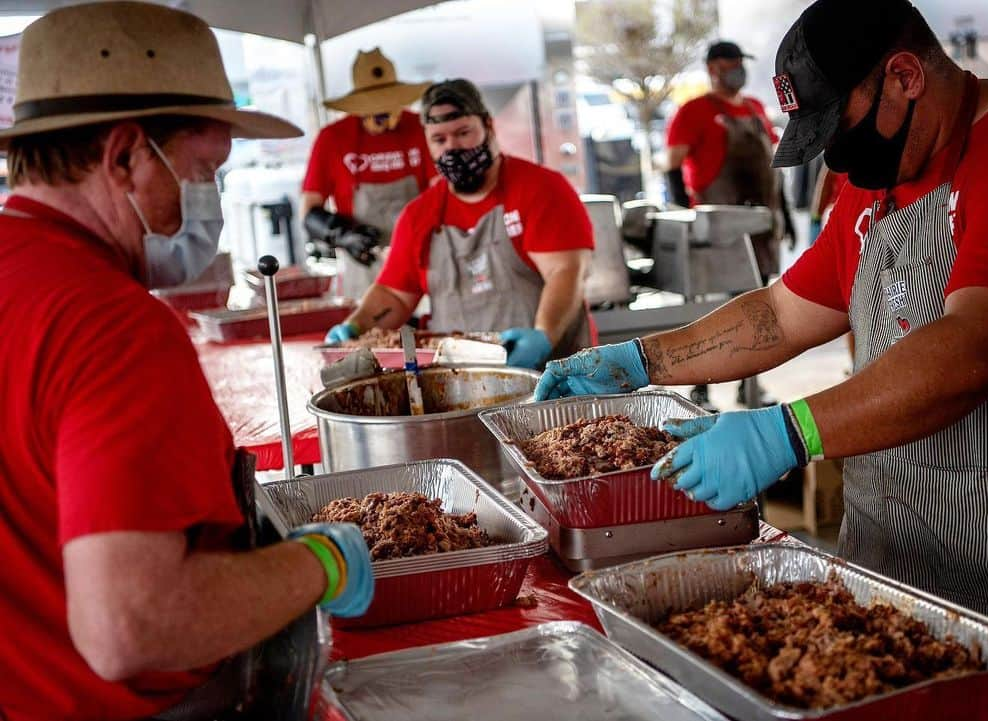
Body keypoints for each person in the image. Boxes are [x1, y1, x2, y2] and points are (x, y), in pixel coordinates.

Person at [536, 0, 988, 673]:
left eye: (841, 131)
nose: (839, 159)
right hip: (893, 560)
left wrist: (788, 432)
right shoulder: (878, 180)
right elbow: (782, 313)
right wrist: (638, 360)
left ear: (906, 76)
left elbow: (981, 343)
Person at [0, 5, 375, 720]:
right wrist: (318, 564)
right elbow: (130, 624)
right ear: (125, 157)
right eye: (203, 170)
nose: (207, 202)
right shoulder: (108, 322)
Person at [325, 79, 594, 370]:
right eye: (439, 139)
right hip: (460, 386)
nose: (452, 147)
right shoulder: (419, 215)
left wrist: (544, 335)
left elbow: (565, 271)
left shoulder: (541, 189)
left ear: (488, 127)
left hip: (553, 379)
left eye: (463, 133)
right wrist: (355, 327)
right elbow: (394, 296)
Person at [664, 40, 786, 408]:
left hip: (760, 227)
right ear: (714, 68)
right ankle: (700, 389)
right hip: (716, 233)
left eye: (740, 62)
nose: (738, 69)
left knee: (757, 309)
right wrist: (686, 215)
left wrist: (782, 217)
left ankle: (751, 385)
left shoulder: (755, 108)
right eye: (731, 63)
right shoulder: (693, 111)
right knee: (710, 314)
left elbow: (772, 163)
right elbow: (672, 164)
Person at [301, 49, 435, 299]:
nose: (382, 117)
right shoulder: (332, 139)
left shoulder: (421, 128)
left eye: (388, 107)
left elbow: (442, 193)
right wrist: (343, 235)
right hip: (364, 266)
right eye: (374, 109)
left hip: (422, 260)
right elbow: (309, 211)